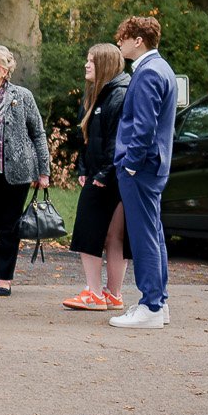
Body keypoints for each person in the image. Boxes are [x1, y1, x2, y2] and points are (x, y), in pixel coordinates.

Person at [109, 15, 177, 329]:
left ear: (138, 40)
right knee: (154, 234)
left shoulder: (148, 72)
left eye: (123, 38)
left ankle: (151, 305)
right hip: (154, 165)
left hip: (142, 167)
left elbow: (144, 126)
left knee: (143, 236)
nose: (119, 42)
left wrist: (131, 164)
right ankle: (158, 302)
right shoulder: (162, 68)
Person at [0, 44, 52, 297]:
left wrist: (44, 171)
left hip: (15, 172)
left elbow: (38, 133)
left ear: (4, 70)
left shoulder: (22, 96)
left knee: (8, 225)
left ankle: (4, 277)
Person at [65, 43, 131, 311]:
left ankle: (95, 293)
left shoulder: (118, 95)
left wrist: (104, 173)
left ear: (105, 65)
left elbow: (119, 139)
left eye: (92, 61)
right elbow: (87, 138)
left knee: (91, 231)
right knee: (113, 235)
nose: (86, 65)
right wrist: (83, 168)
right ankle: (112, 295)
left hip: (109, 176)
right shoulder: (97, 94)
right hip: (103, 173)